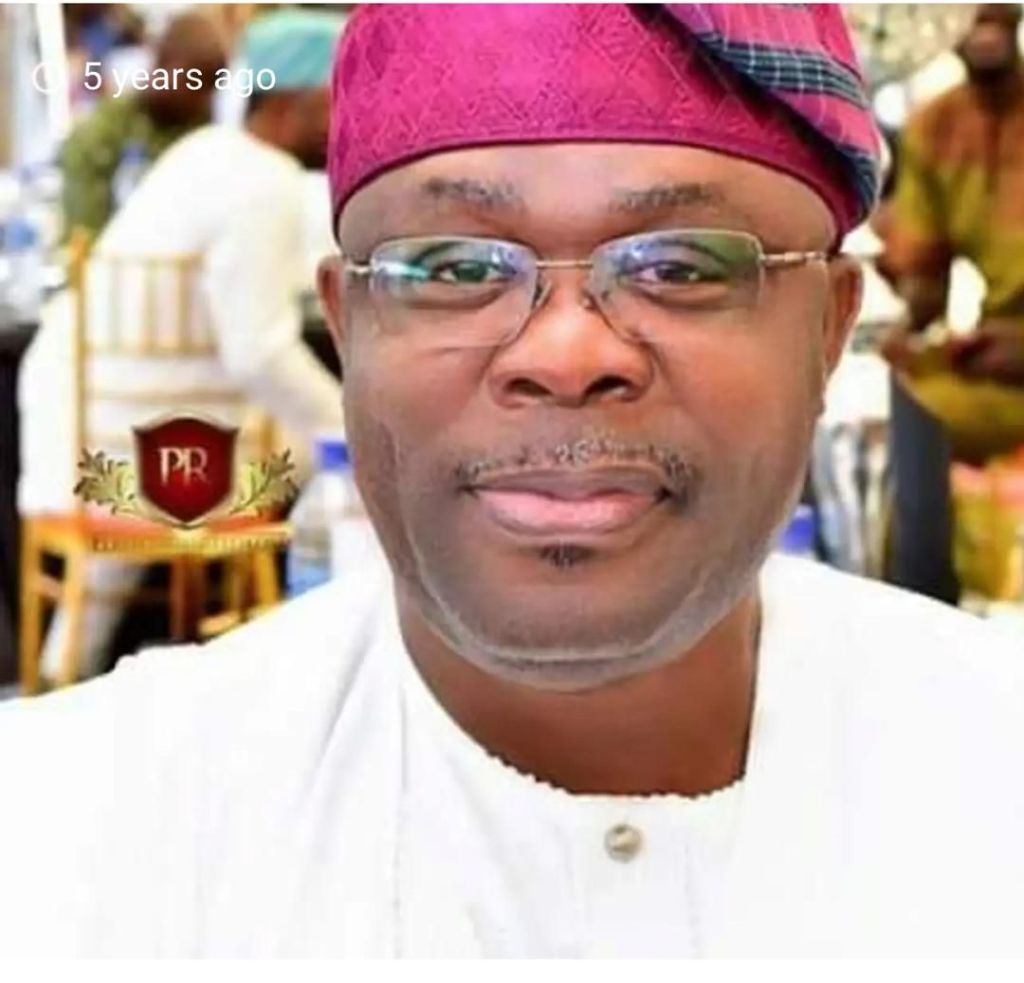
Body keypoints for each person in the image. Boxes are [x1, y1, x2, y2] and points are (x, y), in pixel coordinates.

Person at [4, 4, 1024, 958]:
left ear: (830, 328)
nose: (567, 353)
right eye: (453, 268)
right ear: (348, 327)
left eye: (680, 265)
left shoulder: (988, 760)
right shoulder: (75, 839)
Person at [18, 8, 345, 682]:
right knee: (357, 464)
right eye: (332, 105)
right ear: (291, 103)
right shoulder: (265, 184)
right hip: (157, 463)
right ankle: (289, 669)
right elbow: (259, 353)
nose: (341, 124)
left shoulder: (200, 157)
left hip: (81, 442)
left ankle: (63, 673)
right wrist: (351, 427)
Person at [881, 3, 1024, 460]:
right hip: (994, 360)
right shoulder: (934, 125)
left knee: (913, 432)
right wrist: (900, 335)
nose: (983, 20)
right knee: (883, 408)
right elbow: (925, 281)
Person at [59, 9, 227, 239]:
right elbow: (83, 232)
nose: (201, 97)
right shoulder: (105, 131)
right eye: (193, 82)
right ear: (162, 66)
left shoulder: (203, 134)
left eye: (210, 86)